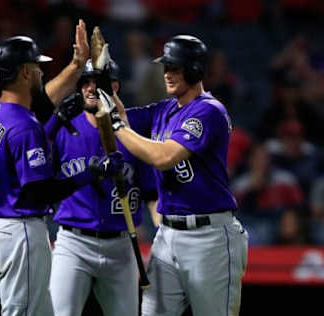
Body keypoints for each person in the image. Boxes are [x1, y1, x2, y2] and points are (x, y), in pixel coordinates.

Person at [0, 21, 124, 316]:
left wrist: (55, 118)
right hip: (20, 232)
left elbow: (25, 127)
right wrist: (90, 173)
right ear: (26, 72)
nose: (43, 72)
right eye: (38, 67)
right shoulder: (24, 125)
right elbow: (41, 191)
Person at [104, 35, 249, 316]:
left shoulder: (208, 111)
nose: (167, 73)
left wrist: (117, 124)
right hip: (168, 234)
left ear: (194, 69)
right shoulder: (165, 109)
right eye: (166, 67)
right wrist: (101, 86)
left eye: (175, 67)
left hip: (209, 238)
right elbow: (112, 118)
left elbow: (163, 156)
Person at [46, 59, 157, 316]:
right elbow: (38, 172)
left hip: (121, 245)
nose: (90, 88)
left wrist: (162, 236)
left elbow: (151, 194)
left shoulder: (132, 134)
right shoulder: (65, 129)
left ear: (115, 87)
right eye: (85, 82)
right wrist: (54, 121)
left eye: (98, 83)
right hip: (73, 242)